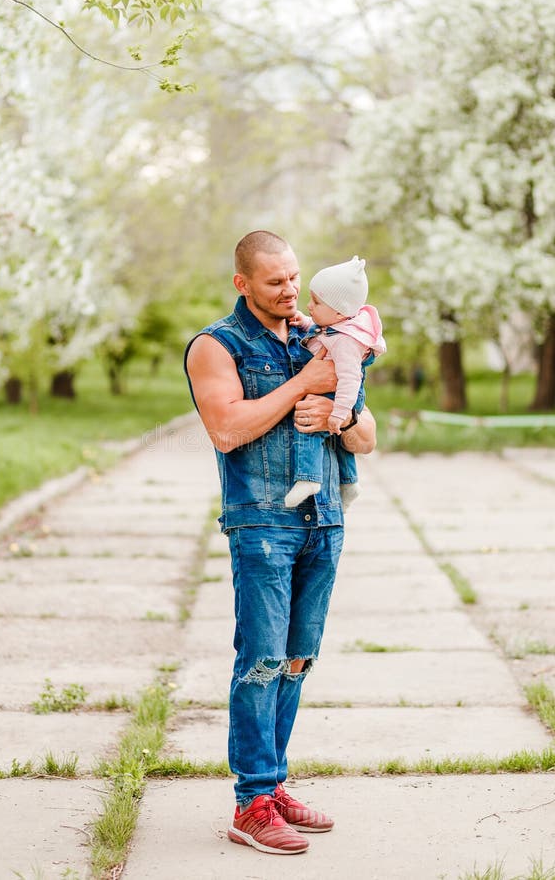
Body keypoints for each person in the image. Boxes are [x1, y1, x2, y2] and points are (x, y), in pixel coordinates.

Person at [184, 230, 376, 856]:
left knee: (297, 660)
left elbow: (367, 435)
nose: (291, 289)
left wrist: (338, 417)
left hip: (324, 519)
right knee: (262, 660)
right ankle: (251, 804)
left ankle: (275, 786)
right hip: (262, 523)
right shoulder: (217, 345)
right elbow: (227, 430)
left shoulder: (326, 335)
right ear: (242, 283)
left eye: (294, 277)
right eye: (275, 281)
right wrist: (301, 388)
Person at [285, 255, 386, 510]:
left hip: (342, 394)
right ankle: (350, 483)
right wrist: (305, 322)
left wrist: (339, 413)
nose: (308, 305)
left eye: (316, 302)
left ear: (339, 311)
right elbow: (323, 330)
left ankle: (308, 479)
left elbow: (351, 379)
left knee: (310, 424)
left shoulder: (347, 343)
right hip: (339, 390)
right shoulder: (341, 325)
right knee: (337, 437)